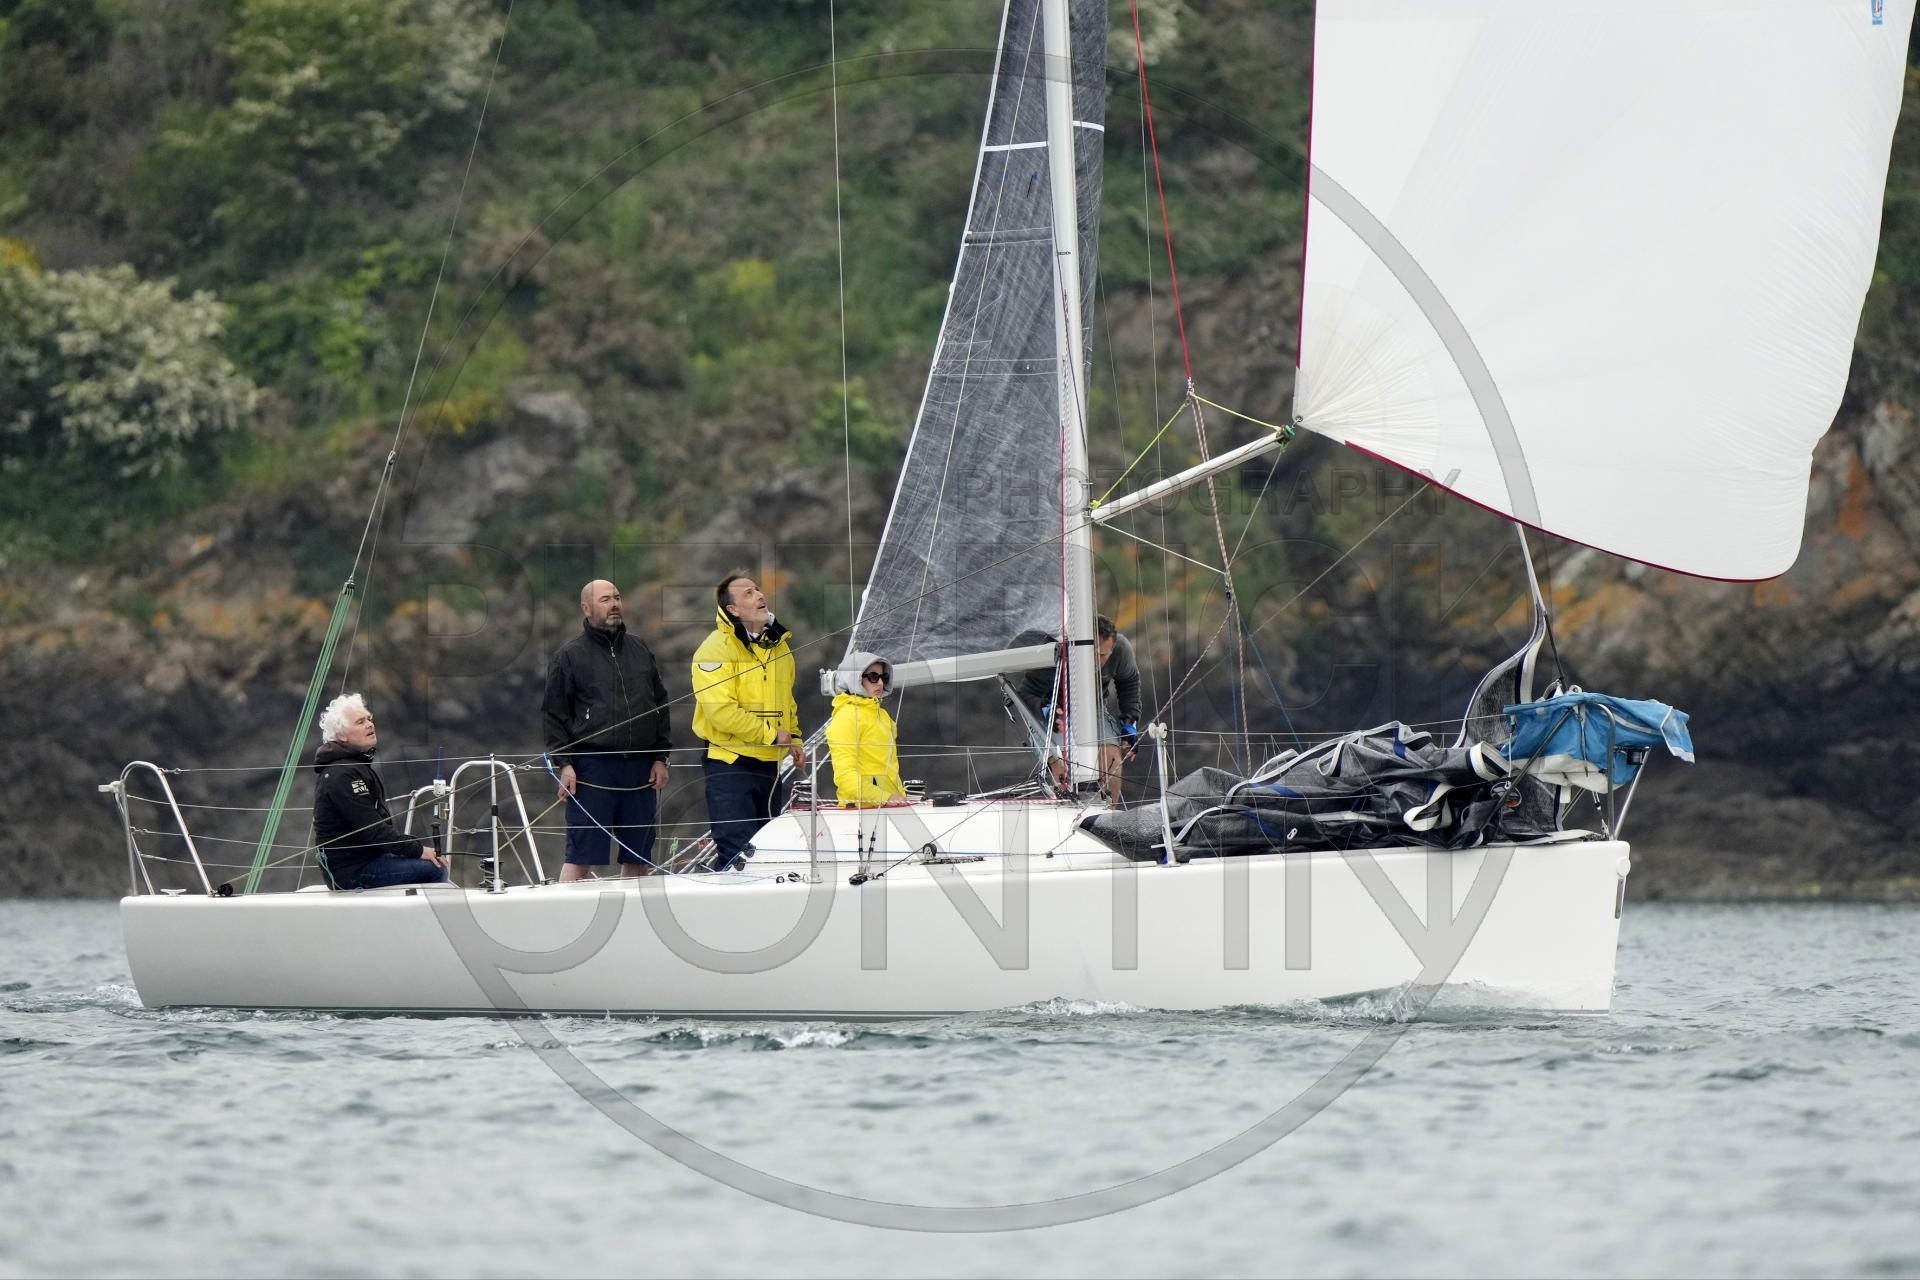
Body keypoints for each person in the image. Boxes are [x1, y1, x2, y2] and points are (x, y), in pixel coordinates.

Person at [543, 579, 673, 881]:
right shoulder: (569, 656)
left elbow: (660, 703)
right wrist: (565, 764)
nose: (614, 604)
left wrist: (660, 757)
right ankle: (564, 909)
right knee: (581, 857)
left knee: (639, 859)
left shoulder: (640, 649)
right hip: (593, 769)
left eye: (617, 597)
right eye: (605, 599)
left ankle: (635, 912)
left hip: (641, 768)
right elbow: (553, 715)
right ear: (586, 608)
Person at [692, 570, 805, 871]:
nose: (760, 595)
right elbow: (720, 711)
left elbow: (787, 702)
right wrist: (771, 735)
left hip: (769, 765)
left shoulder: (780, 646)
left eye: (757, 589)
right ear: (733, 609)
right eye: (748, 593)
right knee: (738, 855)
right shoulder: (713, 649)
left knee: (767, 853)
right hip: (730, 764)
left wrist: (795, 739)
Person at [311, 693, 450, 890]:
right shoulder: (344, 774)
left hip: (365, 860)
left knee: (431, 863)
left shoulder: (352, 767)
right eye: (360, 722)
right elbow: (372, 831)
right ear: (342, 735)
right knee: (435, 870)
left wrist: (414, 848)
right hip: (352, 872)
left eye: (369, 719)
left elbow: (375, 833)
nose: (370, 724)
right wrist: (417, 850)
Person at [1015, 614, 1142, 803]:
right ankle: (1067, 813)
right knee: (1062, 768)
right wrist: (1045, 710)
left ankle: (1109, 817)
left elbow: (1128, 680)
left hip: (1093, 707)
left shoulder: (1120, 648)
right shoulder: (1053, 650)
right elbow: (1025, 695)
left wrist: (1129, 721)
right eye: (1092, 653)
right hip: (1049, 710)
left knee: (1112, 762)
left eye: (1103, 655)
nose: (1097, 660)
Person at [826, 651, 907, 808]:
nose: (880, 683)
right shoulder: (846, 717)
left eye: (884, 677)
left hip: (889, 807)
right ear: (854, 679)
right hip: (861, 812)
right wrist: (885, 798)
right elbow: (845, 777)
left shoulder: (883, 716)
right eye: (873, 677)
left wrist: (897, 797)